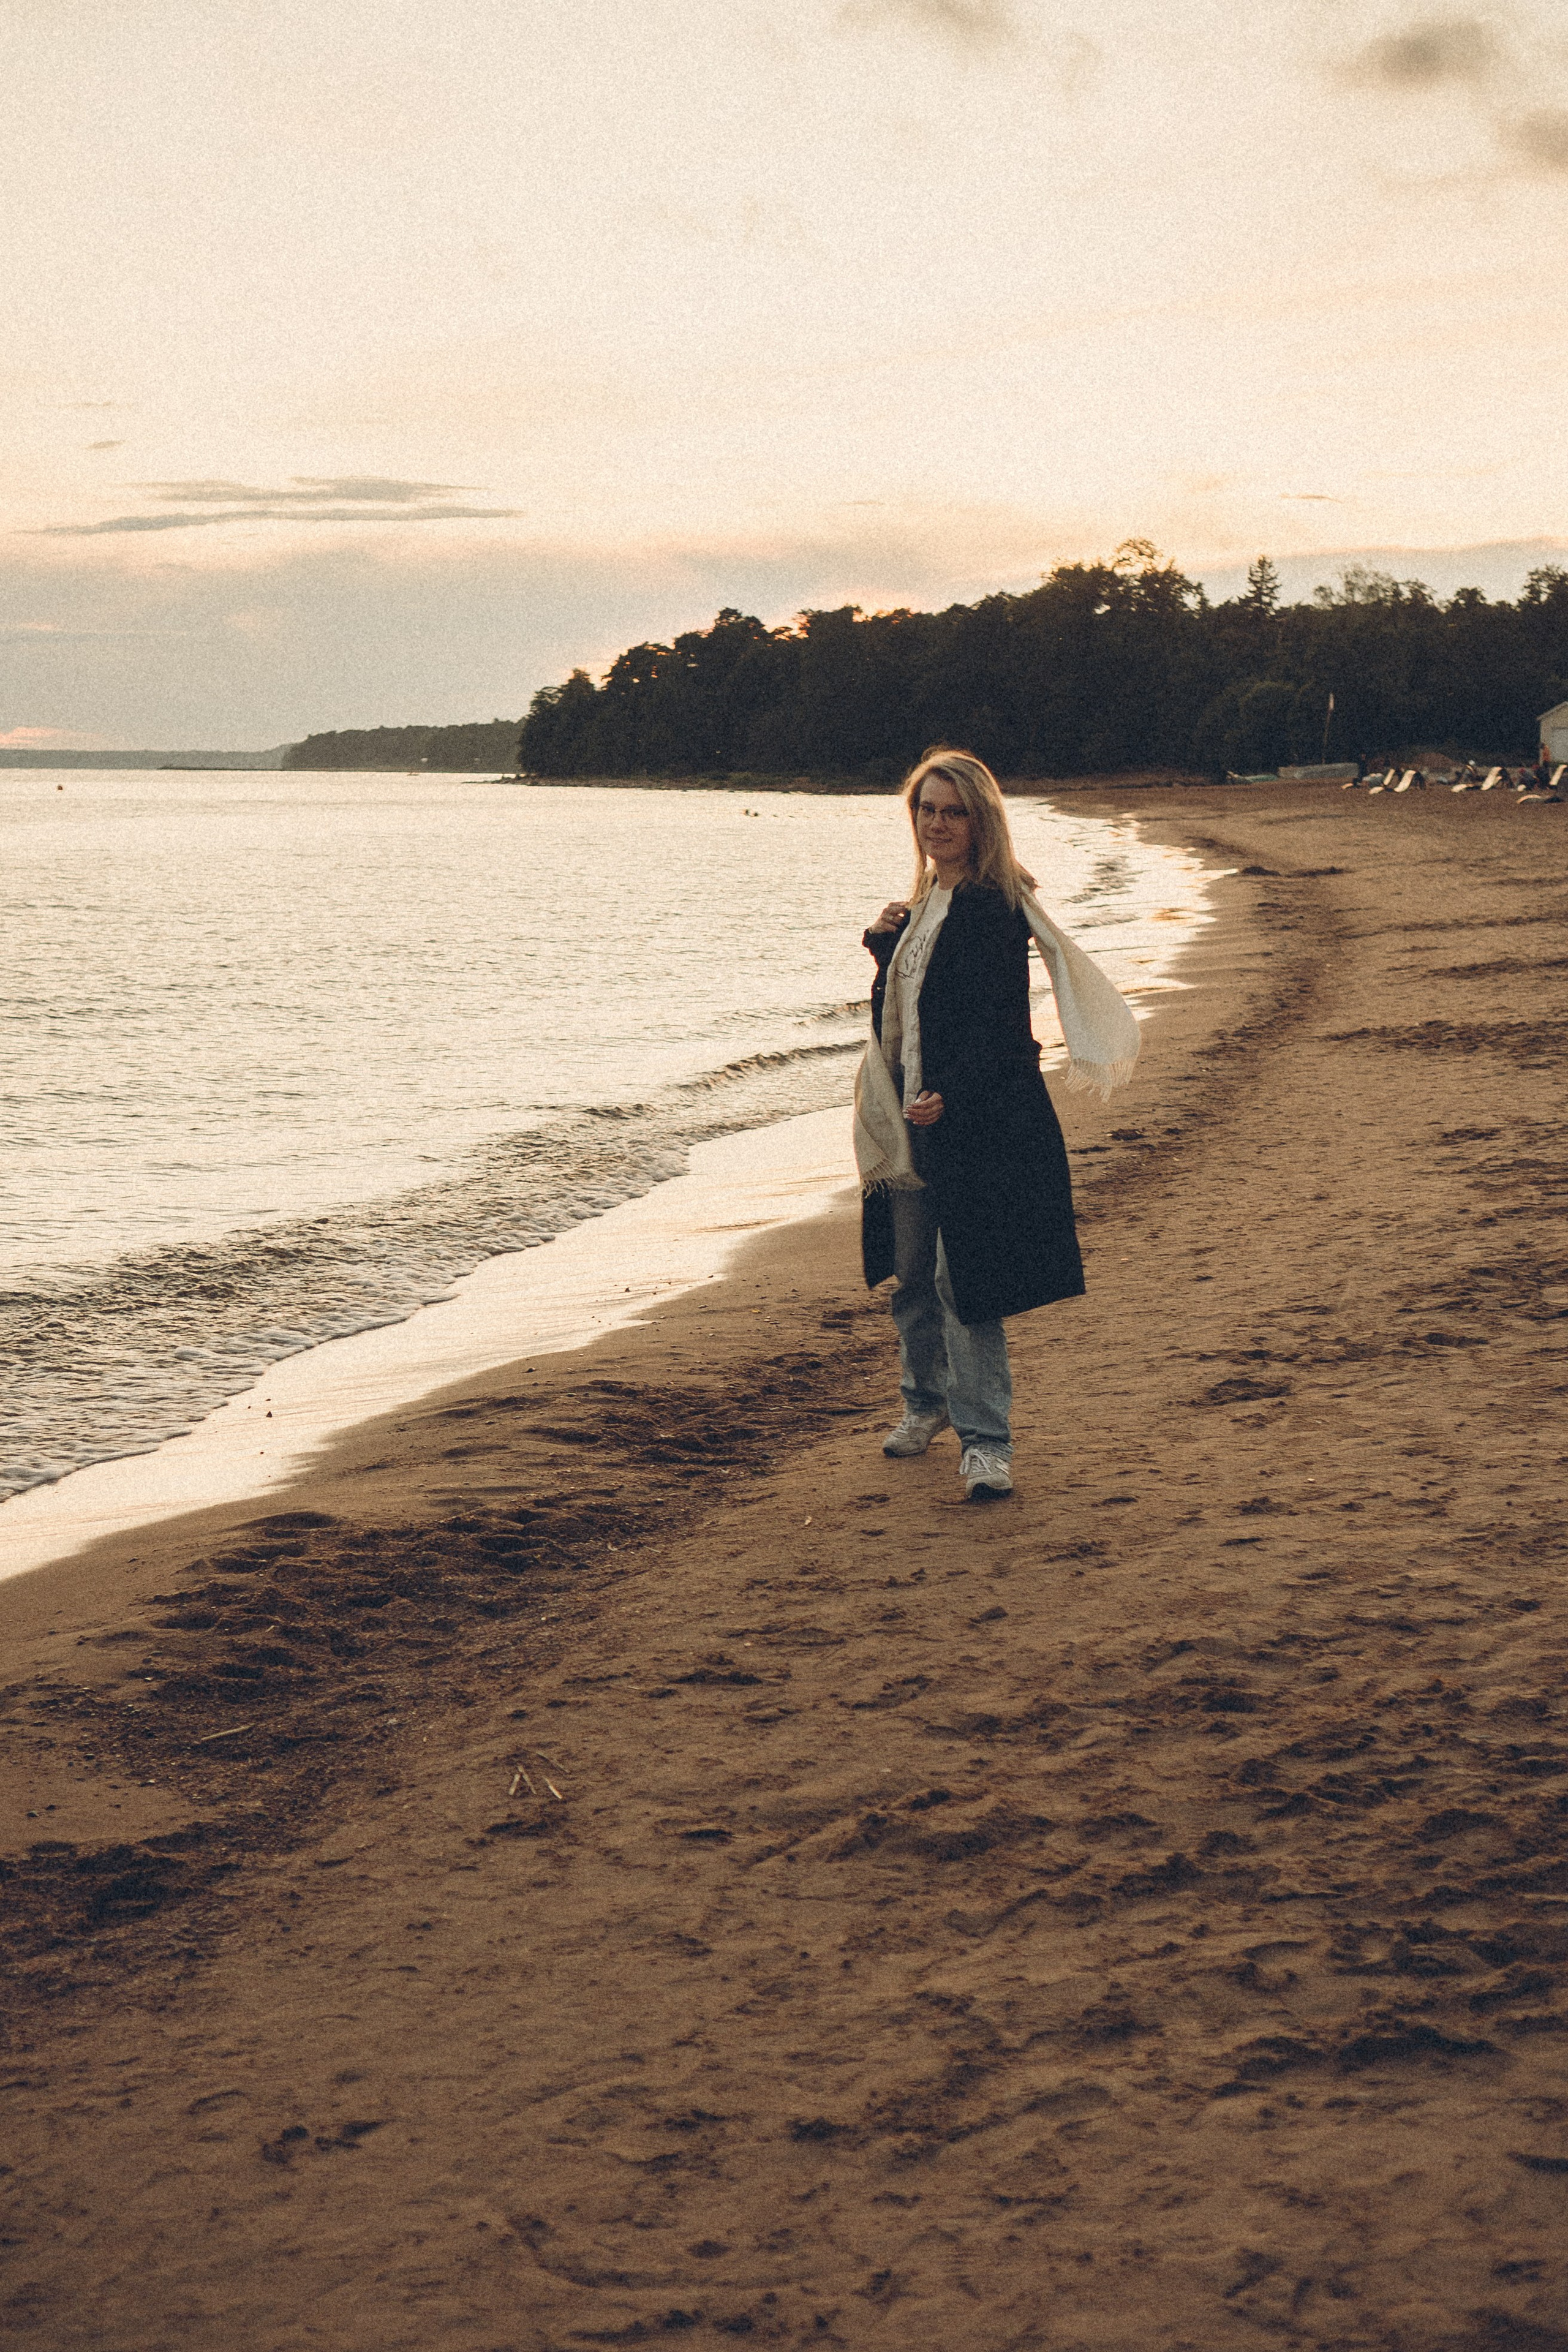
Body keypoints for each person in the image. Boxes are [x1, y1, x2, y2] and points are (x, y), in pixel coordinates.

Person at [853, 748, 1136, 1503]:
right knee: (910, 1276)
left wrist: (953, 1094)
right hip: (903, 1114)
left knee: (961, 1282)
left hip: (969, 1122)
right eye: (927, 810)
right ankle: (926, 1403)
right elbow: (905, 1017)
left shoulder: (992, 909)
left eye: (953, 811)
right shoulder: (918, 909)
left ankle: (986, 1442)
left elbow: (1007, 1033)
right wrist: (884, 947)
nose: (938, 824)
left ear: (980, 821)